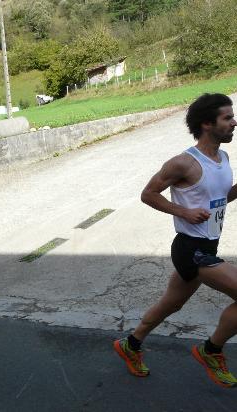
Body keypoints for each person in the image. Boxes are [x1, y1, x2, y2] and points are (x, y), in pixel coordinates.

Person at [113, 93, 237, 388]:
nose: (234, 122)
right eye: (228, 118)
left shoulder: (222, 158)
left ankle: (131, 344)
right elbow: (148, 194)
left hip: (208, 246)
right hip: (191, 250)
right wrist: (183, 211)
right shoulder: (183, 163)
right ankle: (211, 351)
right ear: (207, 124)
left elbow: (220, 200)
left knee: (171, 304)